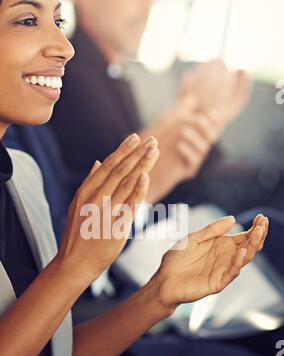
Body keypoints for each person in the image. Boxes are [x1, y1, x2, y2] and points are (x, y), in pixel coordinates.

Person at [0, 0, 282, 356]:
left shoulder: (22, 177)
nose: (64, 46)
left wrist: (158, 295)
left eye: (58, 21)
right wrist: (73, 267)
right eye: (28, 20)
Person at [51, 0, 252, 206]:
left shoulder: (113, 82)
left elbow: (161, 195)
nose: (147, 6)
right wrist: (195, 112)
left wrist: (203, 118)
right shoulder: (67, 81)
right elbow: (95, 213)